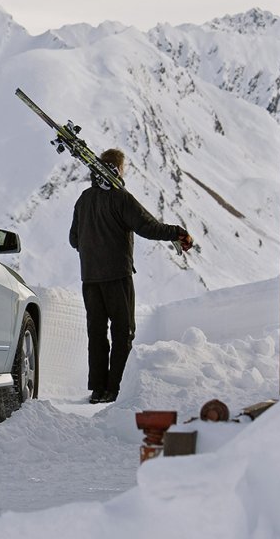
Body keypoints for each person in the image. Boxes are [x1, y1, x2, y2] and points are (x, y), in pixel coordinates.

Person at [69, 149, 193, 404]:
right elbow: (147, 226)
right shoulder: (121, 198)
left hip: (90, 278)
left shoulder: (84, 199)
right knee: (123, 332)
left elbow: (73, 239)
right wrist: (178, 233)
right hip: (117, 275)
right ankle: (116, 388)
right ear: (118, 168)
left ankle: (97, 388)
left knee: (96, 332)